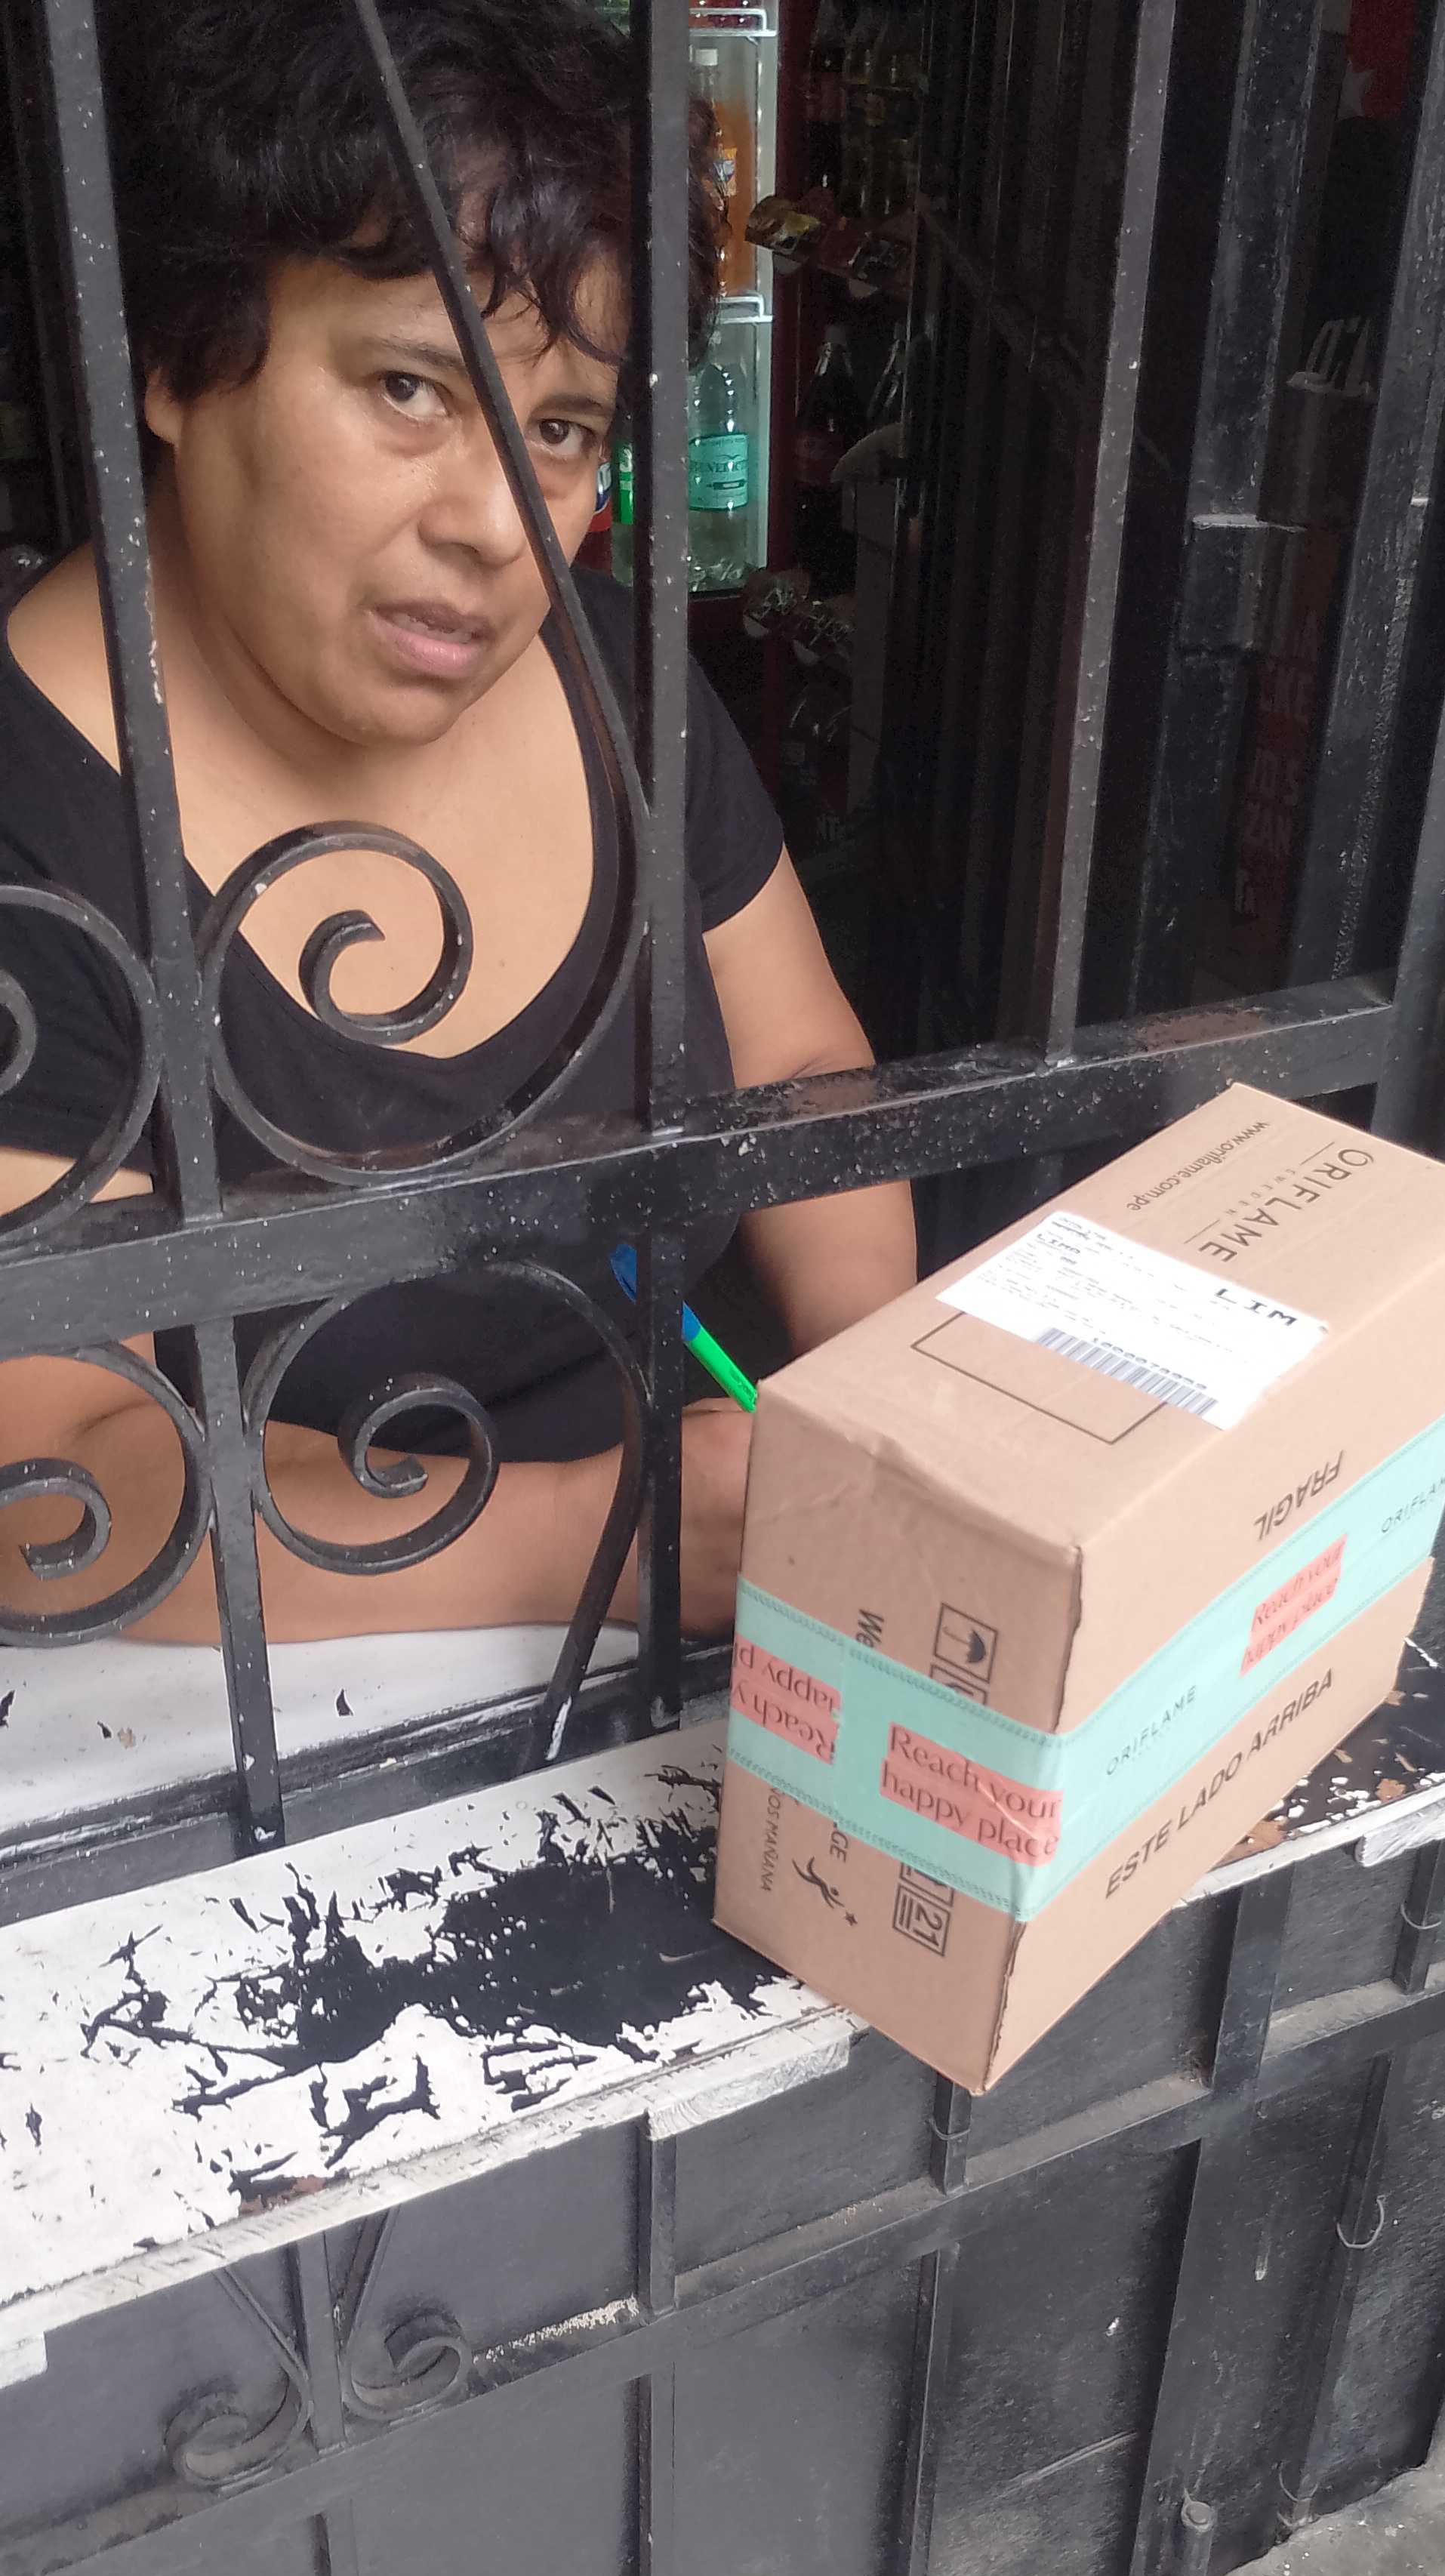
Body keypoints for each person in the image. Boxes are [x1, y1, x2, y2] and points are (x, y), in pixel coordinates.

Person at [0, 0, 915, 1644]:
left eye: (559, 430)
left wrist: (878, 1427)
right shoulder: (29, 829)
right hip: (269, 1704)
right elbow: (53, 1480)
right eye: (411, 387)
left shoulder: (618, 679)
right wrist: (604, 1542)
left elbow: (799, 1076)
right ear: (179, 359)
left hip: (723, 1596)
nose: (498, 523)